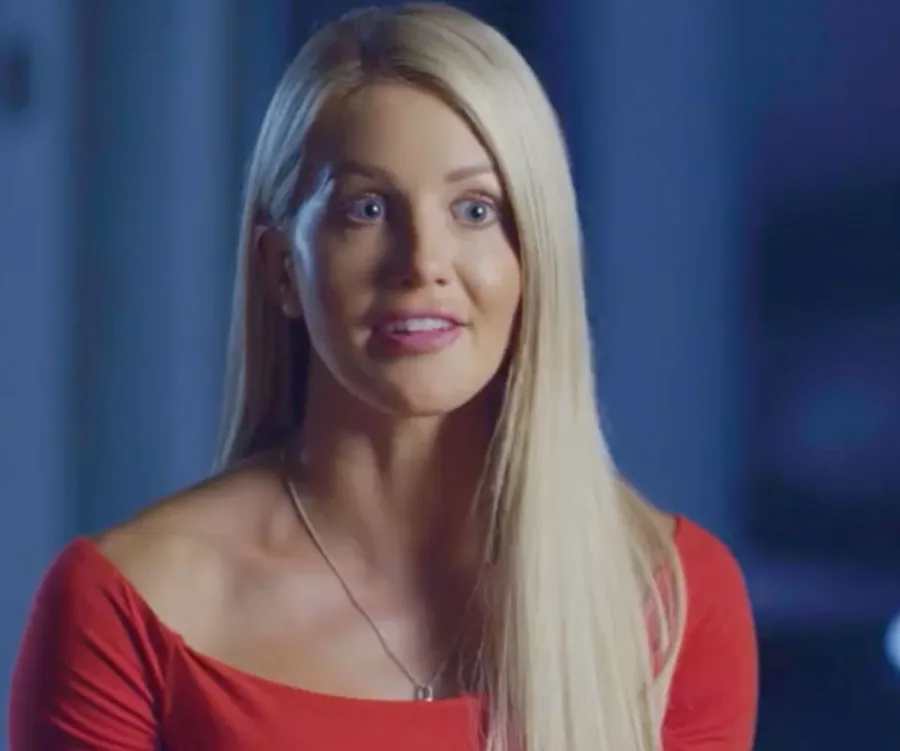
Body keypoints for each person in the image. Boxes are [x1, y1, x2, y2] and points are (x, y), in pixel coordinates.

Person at [8, 4, 757, 750]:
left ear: (536, 256)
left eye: (475, 208)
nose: (423, 261)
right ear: (280, 270)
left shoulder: (673, 602)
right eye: (366, 209)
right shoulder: (126, 605)